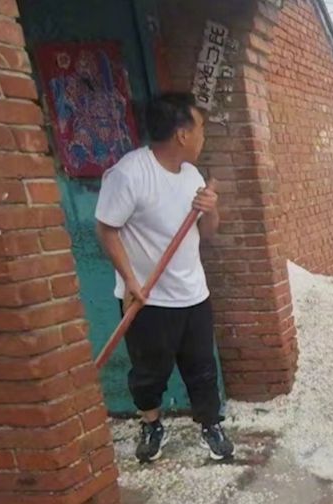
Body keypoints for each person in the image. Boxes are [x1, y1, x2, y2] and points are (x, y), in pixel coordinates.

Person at [95, 93, 234, 464]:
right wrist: (130, 282)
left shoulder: (192, 175)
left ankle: (210, 423)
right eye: (200, 127)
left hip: (194, 293)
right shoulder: (130, 174)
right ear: (182, 134)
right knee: (148, 373)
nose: (203, 135)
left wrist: (210, 210)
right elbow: (107, 230)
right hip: (148, 297)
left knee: (202, 367)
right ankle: (151, 423)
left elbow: (207, 234)